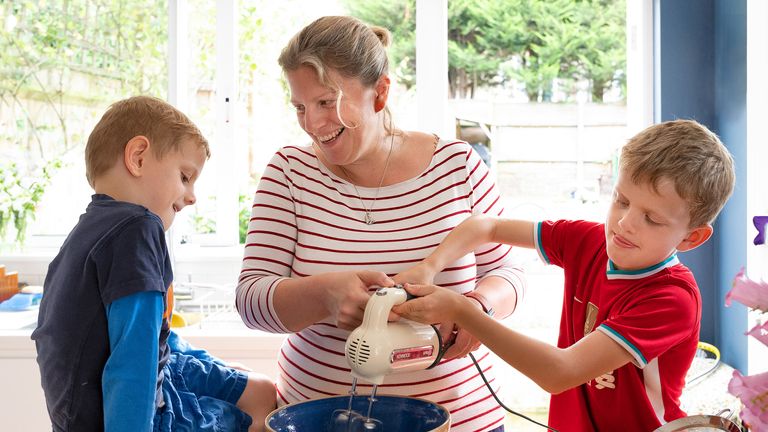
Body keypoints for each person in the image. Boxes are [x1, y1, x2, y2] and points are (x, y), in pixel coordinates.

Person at [235, 16, 525, 432]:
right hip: (317, 418)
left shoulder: (457, 166)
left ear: (380, 92)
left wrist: (479, 309)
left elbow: (509, 272)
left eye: (326, 103)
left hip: (462, 419)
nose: (312, 125)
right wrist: (326, 295)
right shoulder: (289, 172)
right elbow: (251, 301)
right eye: (300, 107)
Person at [393, 119, 736, 432]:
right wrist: (431, 266)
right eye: (621, 200)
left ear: (692, 237)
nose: (625, 222)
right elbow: (488, 225)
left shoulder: (671, 298)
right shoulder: (588, 241)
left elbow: (560, 372)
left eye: (652, 218)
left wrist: (462, 311)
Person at [32, 96, 276, 432]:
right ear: (138, 158)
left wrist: (214, 369)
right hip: (138, 414)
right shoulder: (138, 228)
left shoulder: (86, 235)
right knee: (257, 415)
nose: (192, 197)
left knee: (259, 389)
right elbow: (133, 362)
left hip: (141, 384)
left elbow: (158, 339)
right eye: (185, 176)